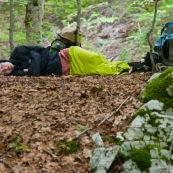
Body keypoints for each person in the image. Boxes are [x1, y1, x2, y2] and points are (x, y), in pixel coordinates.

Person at [0, 45, 130, 76]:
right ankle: (129, 67)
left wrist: (36, 65)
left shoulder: (18, 51)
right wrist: (35, 57)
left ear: (2, 61)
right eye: (2, 72)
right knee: (102, 70)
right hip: (67, 70)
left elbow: (44, 51)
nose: (5, 69)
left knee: (95, 58)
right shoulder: (17, 74)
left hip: (67, 55)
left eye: (1, 66)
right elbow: (35, 73)